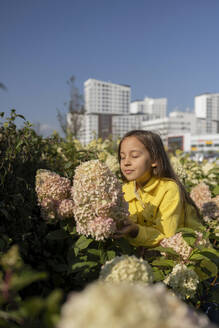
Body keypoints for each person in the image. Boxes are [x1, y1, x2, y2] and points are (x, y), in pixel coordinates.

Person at [115, 130, 202, 248]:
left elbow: (167, 237)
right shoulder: (125, 189)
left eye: (134, 156)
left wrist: (135, 231)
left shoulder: (169, 189)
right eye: (122, 157)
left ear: (154, 160)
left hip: (186, 258)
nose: (126, 162)